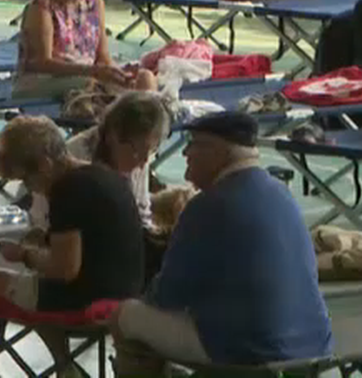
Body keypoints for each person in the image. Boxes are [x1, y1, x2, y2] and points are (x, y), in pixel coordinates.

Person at [112, 112, 334, 375]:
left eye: (193, 143)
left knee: (125, 314)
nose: (185, 153)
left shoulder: (207, 205)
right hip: (315, 344)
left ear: (218, 153)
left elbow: (168, 296)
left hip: (251, 352)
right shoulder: (282, 193)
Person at [0, 116, 145, 376]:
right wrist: (45, 238)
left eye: (26, 179)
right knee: (33, 286)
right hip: (127, 292)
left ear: (44, 165)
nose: (29, 188)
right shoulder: (106, 175)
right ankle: (64, 364)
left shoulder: (67, 190)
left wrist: (23, 255)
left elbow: (65, 269)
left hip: (87, 301)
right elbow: (93, 239)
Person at [28, 92, 171, 280]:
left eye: (151, 151)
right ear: (112, 135)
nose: (144, 162)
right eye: (137, 151)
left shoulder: (136, 156)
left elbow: (141, 213)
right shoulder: (71, 160)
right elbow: (43, 225)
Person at [14, 0, 157, 100]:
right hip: (44, 80)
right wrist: (91, 71)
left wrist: (119, 74)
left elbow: (102, 57)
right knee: (90, 84)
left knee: (145, 78)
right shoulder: (42, 5)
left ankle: (145, 113)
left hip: (88, 74)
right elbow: (40, 63)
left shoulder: (95, 0)